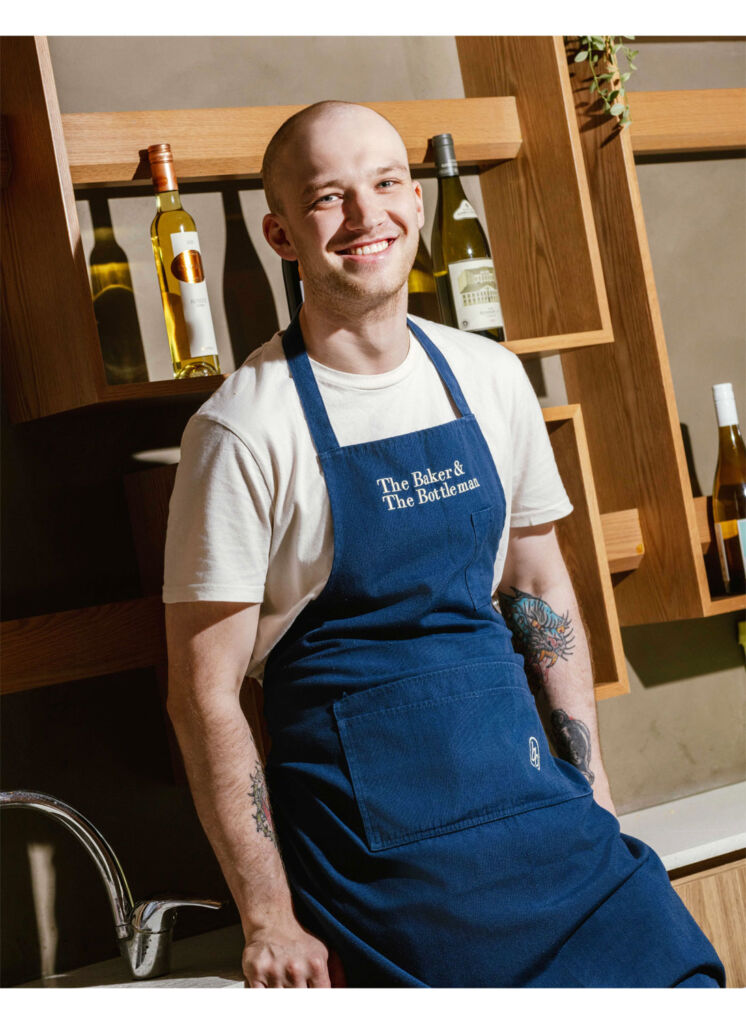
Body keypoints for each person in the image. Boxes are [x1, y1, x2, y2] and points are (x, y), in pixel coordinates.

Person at [162, 101, 726, 989]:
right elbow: (204, 696)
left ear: (418, 202)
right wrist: (270, 917)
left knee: (683, 980)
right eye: (328, 198)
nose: (365, 216)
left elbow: (539, 586)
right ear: (279, 233)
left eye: (385, 184)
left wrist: (595, 796)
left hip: (539, 811)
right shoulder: (241, 431)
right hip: (382, 854)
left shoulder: (491, 379)